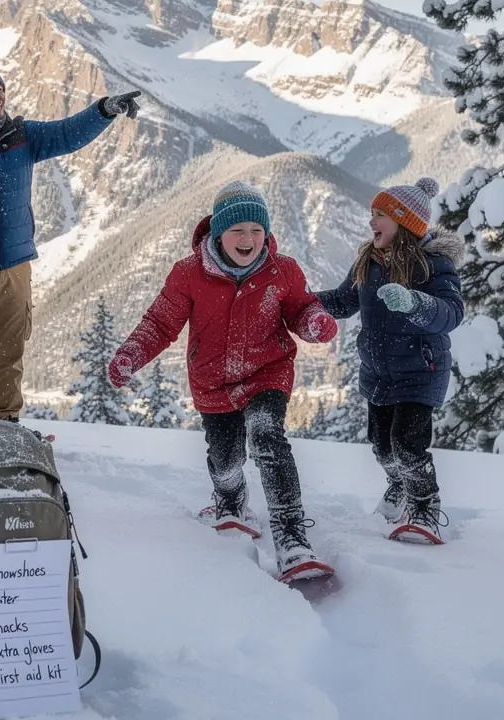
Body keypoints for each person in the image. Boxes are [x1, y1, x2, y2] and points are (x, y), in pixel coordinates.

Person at [107, 182, 338, 583]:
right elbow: (161, 322)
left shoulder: (282, 270)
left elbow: (301, 309)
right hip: (213, 381)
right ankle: (230, 499)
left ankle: (291, 538)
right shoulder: (188, 273)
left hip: (268, 370)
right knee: (226, 458)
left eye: (255, 230)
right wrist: (131, 354)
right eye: (237, 230)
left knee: (268, 437)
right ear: (218, 232)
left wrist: (314, 322)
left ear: (266, 234)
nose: (247, 239)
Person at [0, 63, 140, 421]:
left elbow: (68, 133)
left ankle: (5, 420)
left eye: (1, 89)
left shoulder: (20, 136)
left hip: (16, 265)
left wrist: (104, 110)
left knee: (10, 349)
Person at [316, 177, 464, 543]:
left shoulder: (434, 264)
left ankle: (425, 506)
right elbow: (343, 301)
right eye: (373, 213)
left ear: (406, 222)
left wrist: (416, 303)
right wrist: (301, 302)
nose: (372, 221)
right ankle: (398, 485)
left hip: (421, 372)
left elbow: (451, 312)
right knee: (382, 446)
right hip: (379, 373)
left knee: (408, 444)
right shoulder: (369, 260)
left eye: (380, 214)